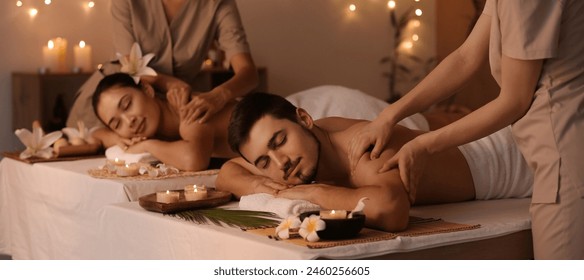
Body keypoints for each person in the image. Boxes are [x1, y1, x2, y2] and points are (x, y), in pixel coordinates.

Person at [348, 1, 584, 259]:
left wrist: (423, 145)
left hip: (566, 158)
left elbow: (514, 101)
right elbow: (466, 58)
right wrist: (388, 116)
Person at [215, 92, 532, 232]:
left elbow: (391, 211)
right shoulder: (297, 153)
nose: (279, 163)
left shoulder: (361, 148)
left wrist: (310, 193)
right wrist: (267, 186)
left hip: (521, 159)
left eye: (280, 141)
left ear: (304, 118)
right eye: (263, 160)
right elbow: (227, 173)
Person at [68, 0, 258, 131]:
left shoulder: (217, 4)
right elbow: (131, 67)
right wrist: (169, 83)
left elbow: (248, 73)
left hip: (168, 111)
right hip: (112, 106)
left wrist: (218, 95)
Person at [92, 73, 238, 171]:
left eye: (127, 105)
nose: (129, 121)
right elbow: (95, 134)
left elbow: (193, 160)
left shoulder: (188, 107)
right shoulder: (156, 129)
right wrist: (119, 138)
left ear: (147, 90)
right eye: (117, 124)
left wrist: (147, 145)